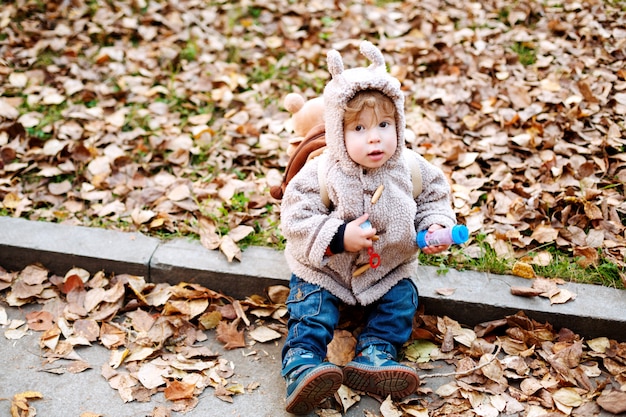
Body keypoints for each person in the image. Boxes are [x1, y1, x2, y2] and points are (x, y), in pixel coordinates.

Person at [279, 40, 458, 415]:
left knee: (400, 303)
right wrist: (339, 236)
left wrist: (435, 225)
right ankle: (302, 364)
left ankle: (376, 354)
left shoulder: (409, 166)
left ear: (399, 123)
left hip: (386, 270)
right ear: (337, 133)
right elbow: (295, 216)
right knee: (311, 310)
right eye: (359, 127)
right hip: (324, 271)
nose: (374, 137)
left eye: (384, 124)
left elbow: (434, 197)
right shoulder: (322, 171)